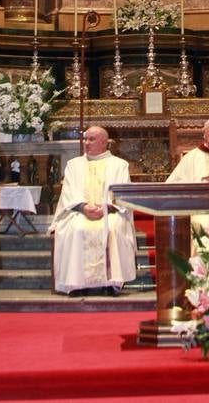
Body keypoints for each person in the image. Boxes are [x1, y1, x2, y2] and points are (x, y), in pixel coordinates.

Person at [48, 125, 136, 295]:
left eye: (91, 139)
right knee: (75, 228)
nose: (86, 143)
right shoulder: (73, 165)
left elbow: (122, 193)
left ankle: (111, 283)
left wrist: (105, 207)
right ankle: (76, 284)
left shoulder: (119, 165)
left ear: (104, 142)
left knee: (113, 228)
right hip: (79, 211)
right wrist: (83, 206)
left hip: (110, 211)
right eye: (85, 139)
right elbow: (69, 192)